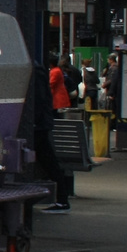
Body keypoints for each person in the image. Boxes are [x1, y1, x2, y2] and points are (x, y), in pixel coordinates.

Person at [37, 52, 73, 213]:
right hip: (43, 120)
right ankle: (62, 199)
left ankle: (62, 200)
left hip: (40, 122)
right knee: (49, 160)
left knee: (49, 161)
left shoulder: (47, 71)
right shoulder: (46, 70)